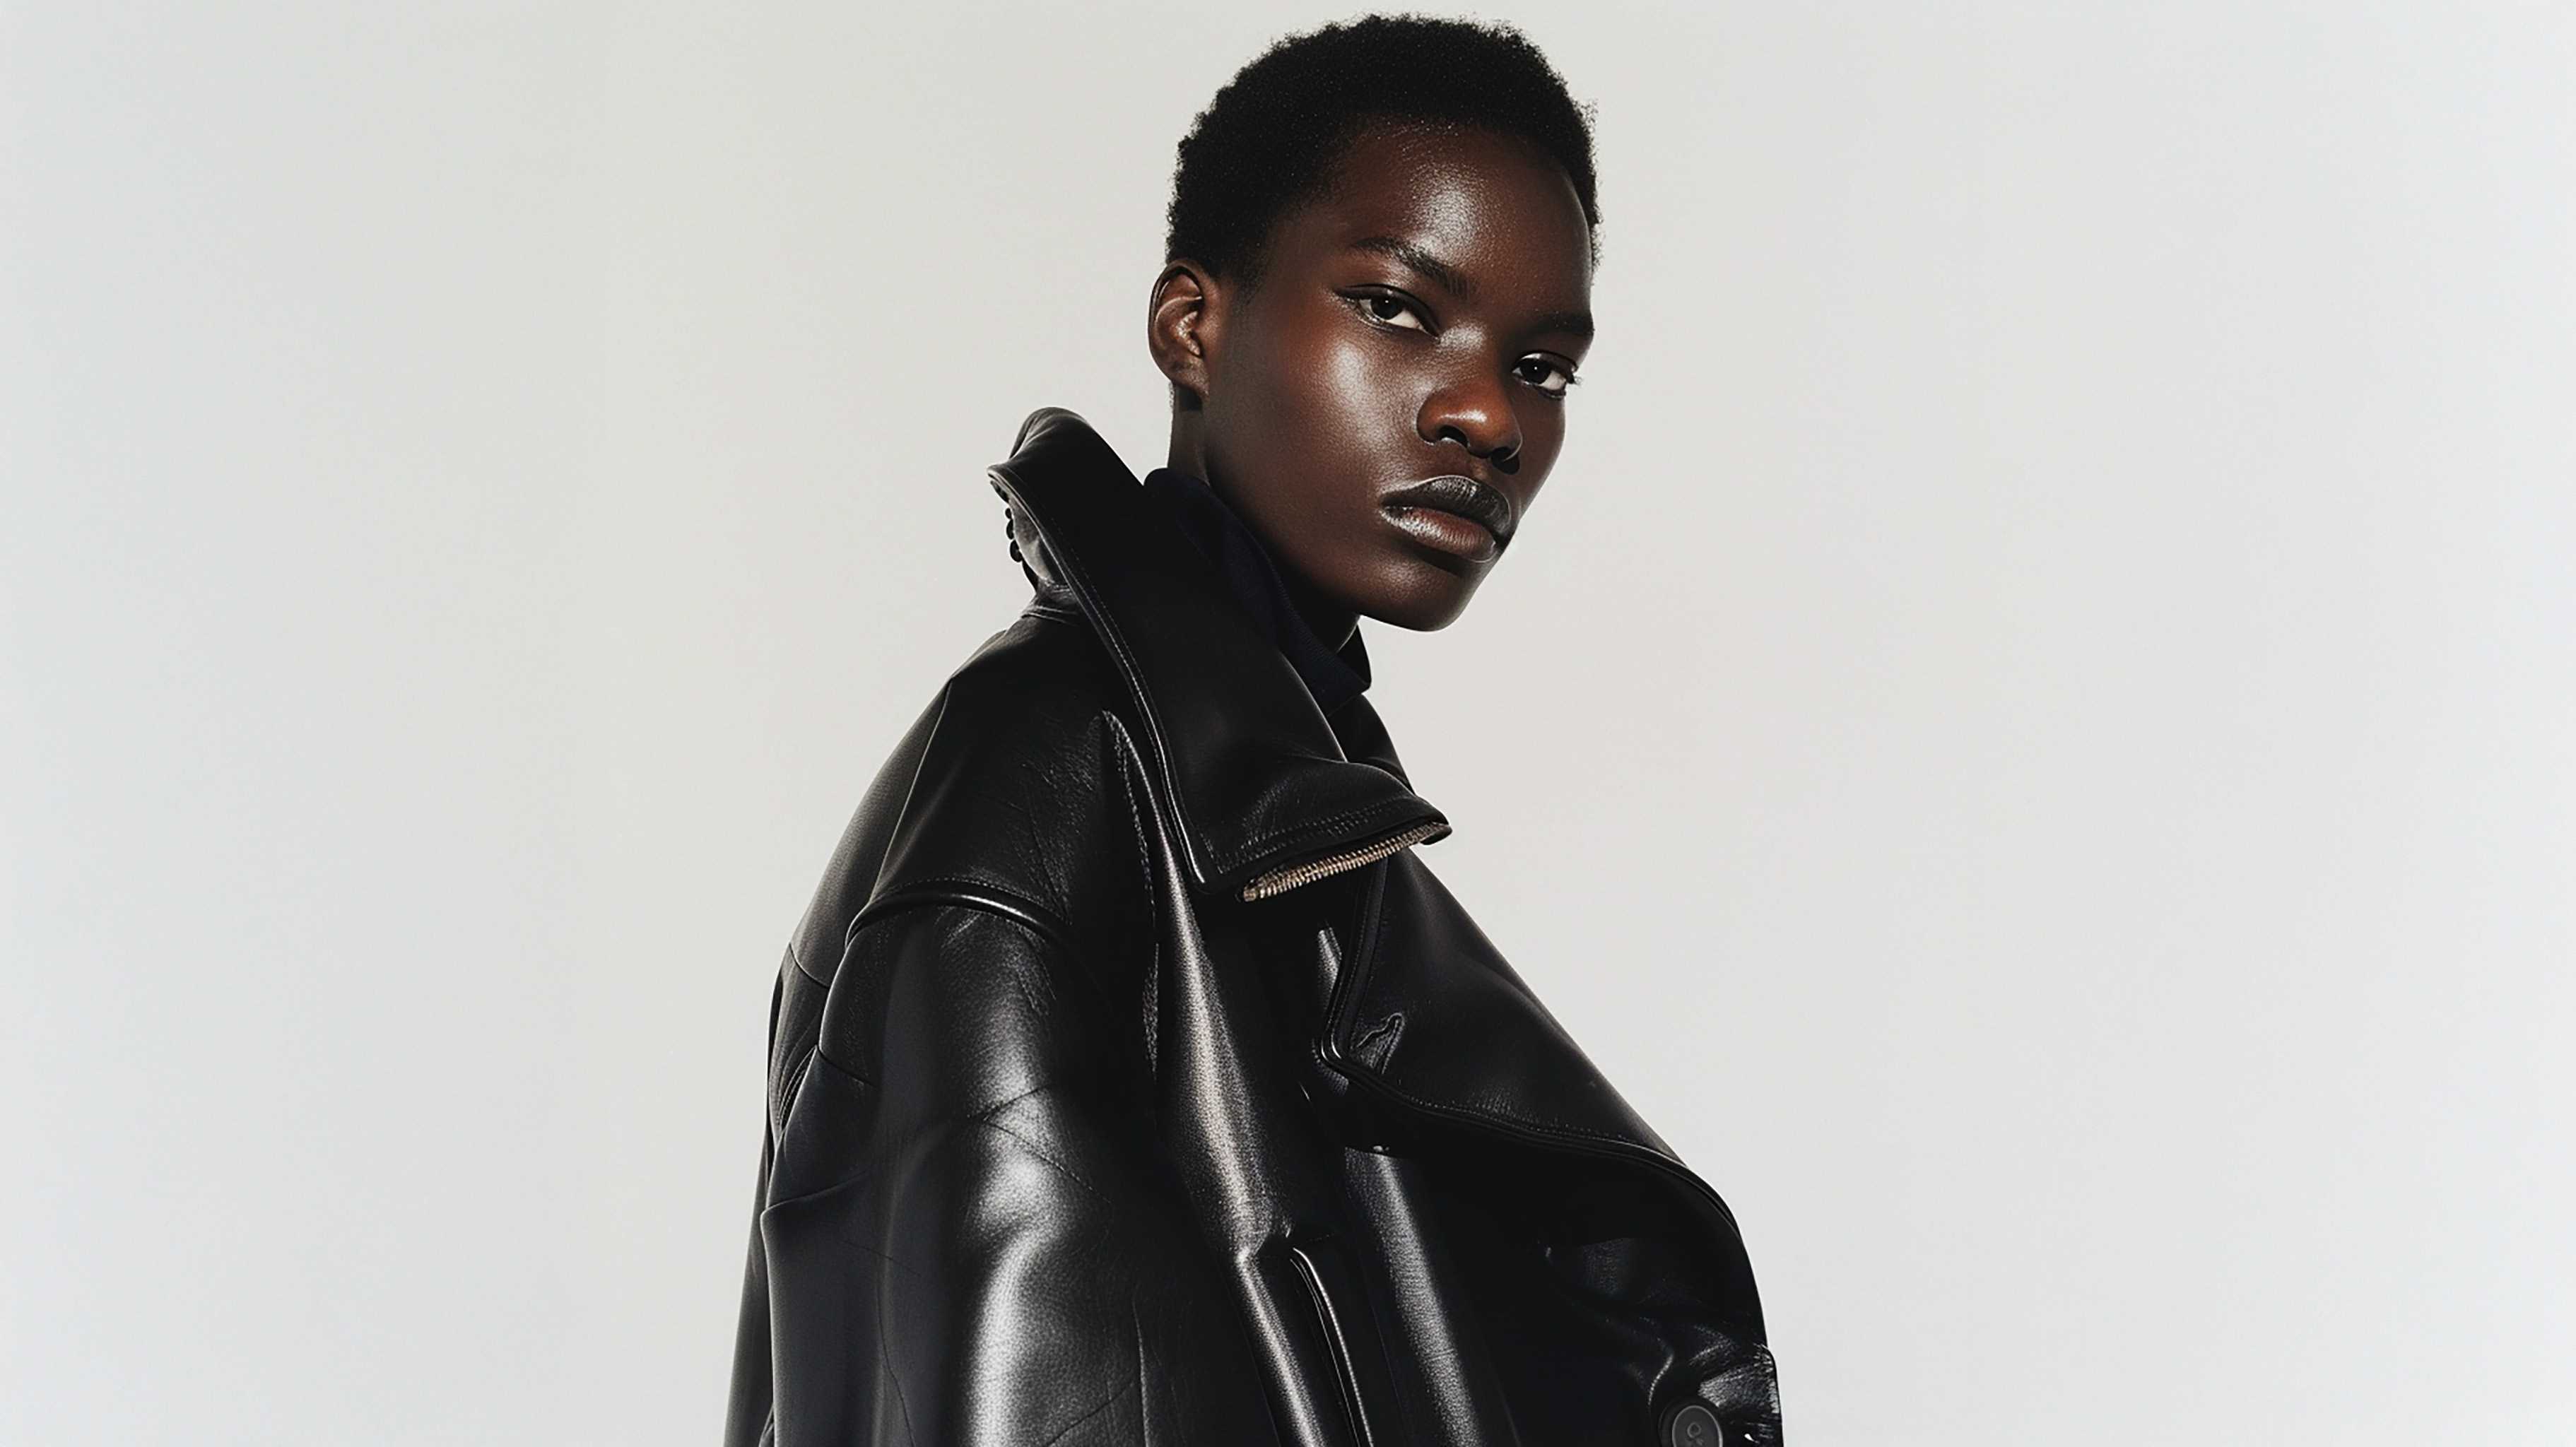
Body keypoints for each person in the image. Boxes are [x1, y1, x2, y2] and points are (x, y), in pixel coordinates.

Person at [723, 16, 1779, 1446]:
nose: (1486, 414)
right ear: (1192, 329)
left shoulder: (1267, 804)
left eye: (1541, 367)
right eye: (1396, 308)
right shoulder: (1052, 774)